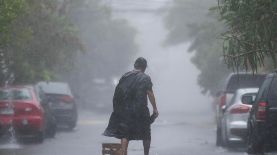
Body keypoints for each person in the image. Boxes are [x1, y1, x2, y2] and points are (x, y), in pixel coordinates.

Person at [103, 57, 159, 155]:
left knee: (125, 133)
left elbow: (118, 94)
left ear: (135, 66)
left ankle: (123, 153)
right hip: (141, 110)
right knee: (146, 133)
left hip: (126, 111)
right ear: (144, 67)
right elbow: (150, 93)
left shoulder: (125, 76)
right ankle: (146, 154)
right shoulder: (145, 78)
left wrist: (117, 110)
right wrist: (155, 109)